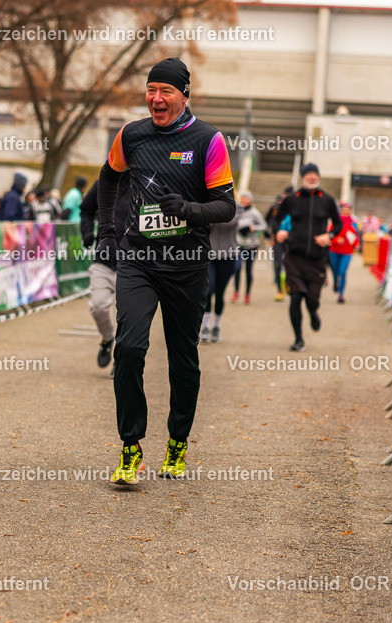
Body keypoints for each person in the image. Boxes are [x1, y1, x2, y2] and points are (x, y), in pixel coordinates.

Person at [97, 56, 235, 484]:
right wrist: (107, 231)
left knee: (183, 359)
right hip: (138, 259)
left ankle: (178, 441)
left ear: (184, 95)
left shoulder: (208, 140)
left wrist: (190, 209)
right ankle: (130, 447)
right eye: (151, 90)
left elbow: (227, 207)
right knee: (131, 348)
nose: (156, 99)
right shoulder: (131, 135)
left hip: (187, 265)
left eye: (166, 91)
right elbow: (107, 177)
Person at [275, 163, 343, 352]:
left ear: (318, 177)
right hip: (294, 258)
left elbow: (338, 225)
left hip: (317, 259)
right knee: (296, 297)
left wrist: (328, 236)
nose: (312, 177)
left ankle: (313, 312)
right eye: (308, 174)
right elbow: (275, 219)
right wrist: (278, 231)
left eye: (315, 174)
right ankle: (298, 339)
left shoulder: (328, 200)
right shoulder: (292, 199)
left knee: (312, 300)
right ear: (302, 177)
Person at [80, 176, 129, 368]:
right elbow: (85, 210)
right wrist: (86, 233)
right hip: (104, 259)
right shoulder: (103, 182)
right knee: (99, 307)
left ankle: (122, 360)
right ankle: (108, 338)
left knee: (128, 316)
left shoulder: (145, 181)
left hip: (134, 262)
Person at [202, 213, 239, 343]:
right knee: (208, 290)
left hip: (228, 255)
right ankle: (205, 325)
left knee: (219, 293)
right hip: (209, 255)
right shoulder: (206, 204)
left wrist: (211, 216)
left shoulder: (236, 205)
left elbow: (231, 223)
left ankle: (216, 325)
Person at [231, 191, 266, 304]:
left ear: (250, 200)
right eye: (242, 198)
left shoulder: (254, 213)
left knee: (248, 270)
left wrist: (253, 228)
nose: (244, 200)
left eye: (246, 198)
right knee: (237, 269)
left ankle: (247, 294)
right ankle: (236, 292)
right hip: (238, 244)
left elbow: (264, 226)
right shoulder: (237, 211)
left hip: (251, 245)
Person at [264, 186, 293, 301]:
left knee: (289, 264)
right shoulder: (276, 208)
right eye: (286, 196)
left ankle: (288, 284)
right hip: (278, 241)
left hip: (291, 241)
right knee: (277, 264)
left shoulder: (297, 209)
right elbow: (269, 221)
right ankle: (279, 291)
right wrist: (271, 234)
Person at [329, 202, 358, 304]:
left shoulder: (353, 223)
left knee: (342, 272)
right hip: (334, 251)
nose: (345, 211)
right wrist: (336, 240)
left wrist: (356, 244)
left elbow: (355, 237)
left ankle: (341, 294)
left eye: (348, 209)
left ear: (350, 211)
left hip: (347, 252)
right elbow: (330, 235)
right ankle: (335, 282)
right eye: (344, 209)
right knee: (335, 271)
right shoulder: (336, 222)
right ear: (341, 211)